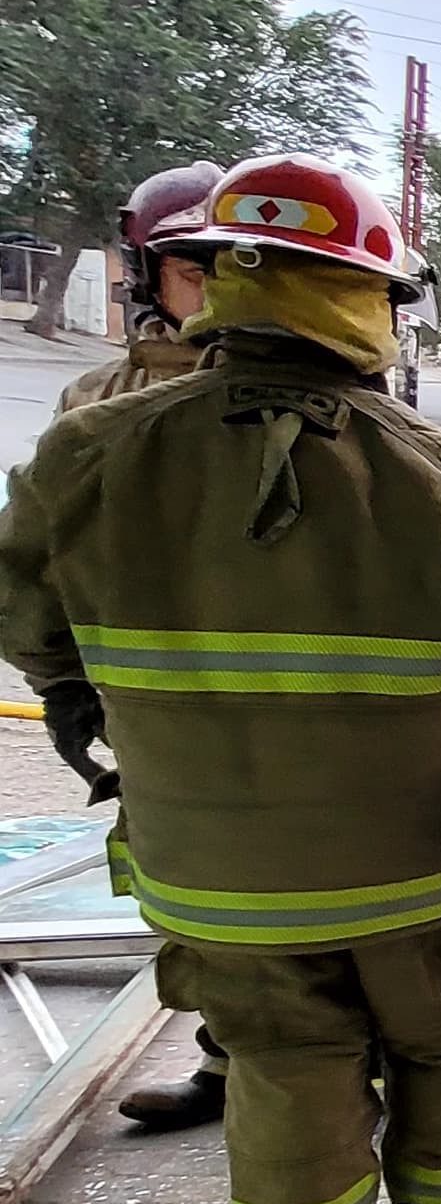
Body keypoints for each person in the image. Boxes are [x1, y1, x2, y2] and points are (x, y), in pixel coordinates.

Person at [0, 152, 441, 1204]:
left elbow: (30, 627)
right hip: (421, 878)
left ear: (220, 282)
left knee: (282, 1068)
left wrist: (83, 721)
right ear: (362, 299)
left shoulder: (89, 454)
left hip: (214, 881)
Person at [57, 166, 236, 1128]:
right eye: (193, 267)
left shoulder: (324, 399)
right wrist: (64, 684)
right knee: (193, 898)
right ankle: (224, 1061)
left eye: (234, 266)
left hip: (295, 722)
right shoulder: (98, 404)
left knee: (324, 907)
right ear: (148, 271)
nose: (215, 289)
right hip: (160, 711)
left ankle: (336, 1073)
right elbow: (49, 560)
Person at [57, 163, 224, 414]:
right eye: (198, 273)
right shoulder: (96, 397)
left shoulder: (297, 392)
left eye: (245, 272)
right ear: (147, 277)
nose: (226, 290)